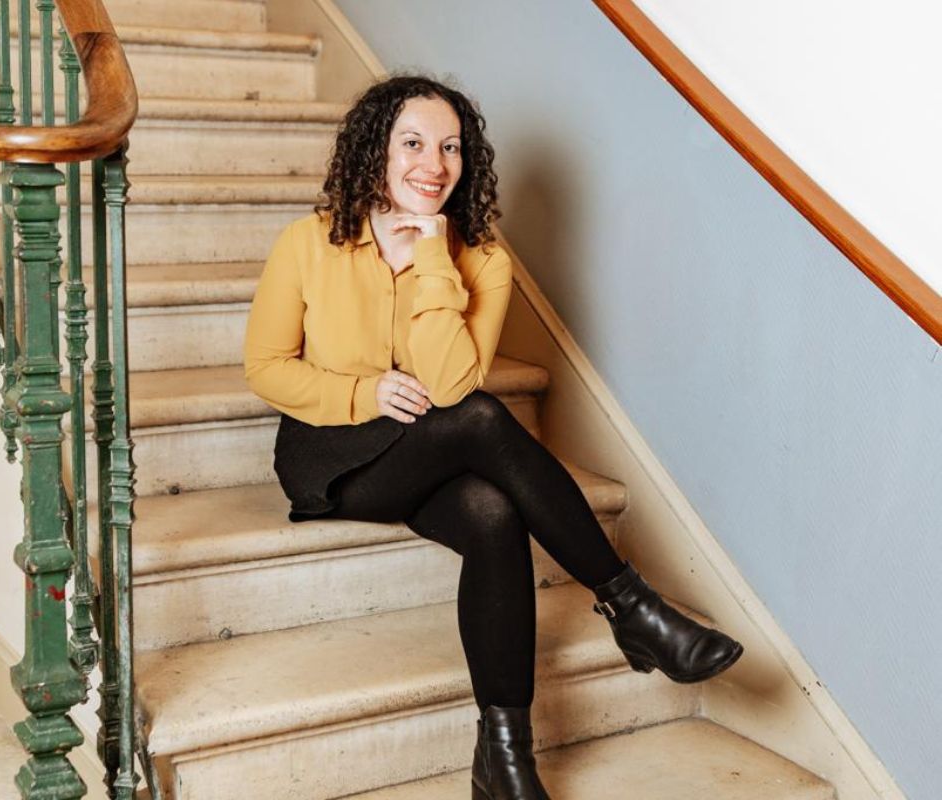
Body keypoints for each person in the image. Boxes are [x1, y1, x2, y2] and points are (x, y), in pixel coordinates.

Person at [244, 75, 743, 800]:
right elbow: (265, 368)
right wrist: (361, 391)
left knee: (493, 512)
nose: (434, 164)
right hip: (332, 454)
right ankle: (630, 606)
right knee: (482, 420)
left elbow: (447, 384)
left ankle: (504, 759)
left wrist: (432, 259)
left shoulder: (483, 262)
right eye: (412, 143)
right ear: (374, 153)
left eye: (450, 148)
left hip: (428, 444)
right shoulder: (309, 242)